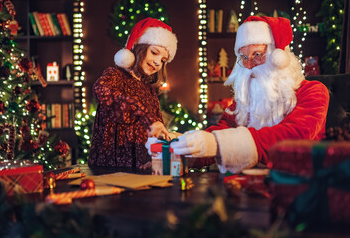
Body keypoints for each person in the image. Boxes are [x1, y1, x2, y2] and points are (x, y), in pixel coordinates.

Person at [152, 16, 329, 174]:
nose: (249, 65)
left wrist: (216, 143)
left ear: (278, 56)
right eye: (244, 57)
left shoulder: (313, 92)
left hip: (298, 187)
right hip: (246, 187)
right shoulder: (245, 101)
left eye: (257, 55)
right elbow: (220, 132)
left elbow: (292, 136)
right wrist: (181, 146)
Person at [89, 17, 178, 170]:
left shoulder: (150, 91)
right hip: (109, 168)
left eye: (163, 60)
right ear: (138, 47)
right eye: (154, 52)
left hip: (140, 171)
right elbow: (101, 90)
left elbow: (155, 133)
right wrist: (142, 112)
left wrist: (155, 158)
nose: (157, 62)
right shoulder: (114, 76)